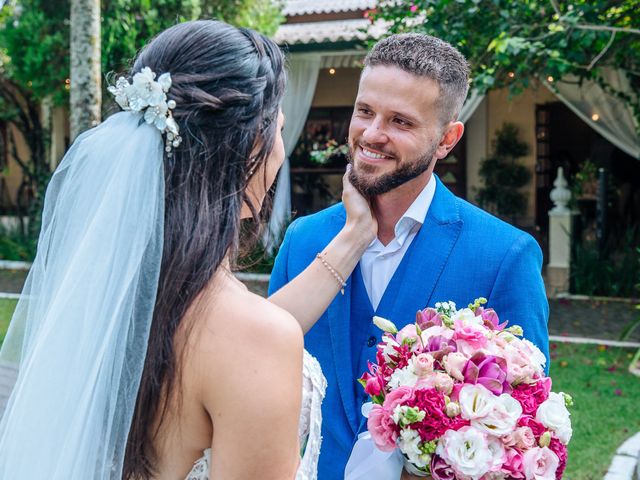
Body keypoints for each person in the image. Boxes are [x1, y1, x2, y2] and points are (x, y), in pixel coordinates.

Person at [0, 20, 376, 479]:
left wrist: (356, 234)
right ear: (253, 146)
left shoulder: (118, 304)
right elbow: (251, 340)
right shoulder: (248, 337)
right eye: (278, 128)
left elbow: (239, 338)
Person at [269, 33, 550, 479]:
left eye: (400, 121)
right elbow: (266, 385)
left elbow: (524, 427)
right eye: (365, 111)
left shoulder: (504, 256)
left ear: (447, 139)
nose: (372, 134)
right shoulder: (303, 241)